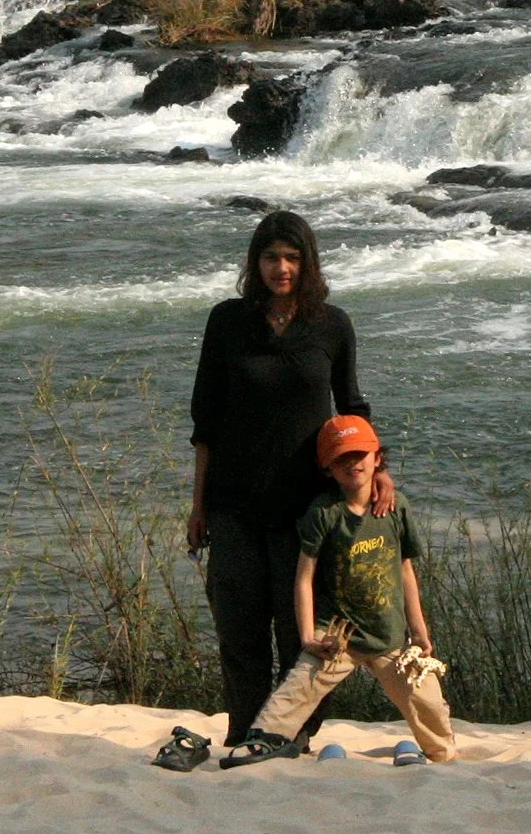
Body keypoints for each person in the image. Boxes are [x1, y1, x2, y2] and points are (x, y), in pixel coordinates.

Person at [187, 210, 390, 748]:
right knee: (239, 632)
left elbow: (351, 407)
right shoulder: (227, 321)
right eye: (272, 257)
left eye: (293, 258)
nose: (283, 268)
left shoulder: (331, 325)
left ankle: (293, 736)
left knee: (304, 634)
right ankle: (243, 732)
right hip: (233, 503)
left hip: (307, 509)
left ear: (308, 263)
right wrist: (198, 504)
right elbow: (204, 420)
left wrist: (380, 471)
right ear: (256, 263)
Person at [221, 415, 454, 768]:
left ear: (378, 458)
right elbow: (303, 579)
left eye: (360, 454)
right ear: (327, 468)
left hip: (389, 636)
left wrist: (419, 630)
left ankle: (442, 755)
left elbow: (406, 570)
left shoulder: (396, 507)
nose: (352, 463)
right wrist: (307, 638)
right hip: (336, 634)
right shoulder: (324, 513)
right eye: (341, 457)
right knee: (295, 691)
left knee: (429, 704)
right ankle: (261, 744)